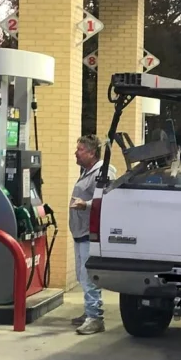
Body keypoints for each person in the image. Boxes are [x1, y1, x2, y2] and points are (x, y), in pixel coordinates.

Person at [69, 134, 114, 335]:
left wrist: (85, 205)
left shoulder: (104, 172)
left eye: (80, 150)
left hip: (90, 233)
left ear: (92, 153)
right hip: (80, 232)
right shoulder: (87, 171)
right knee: (82, 275)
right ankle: (89, 312)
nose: (76, 153)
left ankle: (95, 318)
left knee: (88, 277)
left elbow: (108, 199)